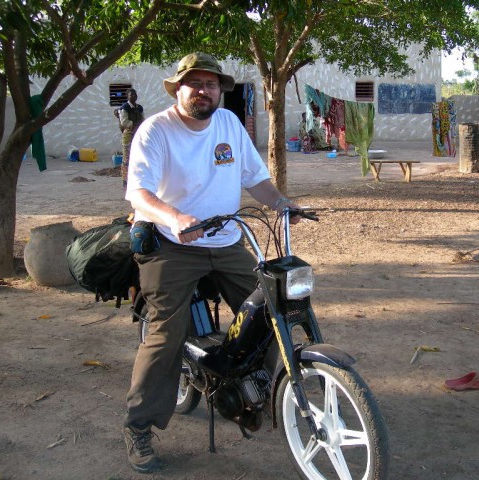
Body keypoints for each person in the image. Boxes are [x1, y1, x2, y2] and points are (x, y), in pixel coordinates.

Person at [122, 52, 299, 474]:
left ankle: (281, 393)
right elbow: (139, 193)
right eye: (195, 83)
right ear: (178, 89)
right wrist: (176, 217)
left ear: (221, 90)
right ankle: (138, 426)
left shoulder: (228, 124)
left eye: (212, 84)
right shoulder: (155, 131)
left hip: (226, 239)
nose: (205, 91)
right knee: (168, 332)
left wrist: (281, 202)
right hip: (173, 244)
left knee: (272, 311)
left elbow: (254, 178)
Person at [119, 88, 144, 187]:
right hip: (128, 134)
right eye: (131, 95)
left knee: (138, 156)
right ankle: (125, 180)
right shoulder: (125, 107)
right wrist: (134, 125)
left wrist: (141, 126)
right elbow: (124, 122)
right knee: (127, 158)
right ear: (127, 97)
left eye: (135, 94)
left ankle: (136, 178)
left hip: (138, 133)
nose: (133, 96)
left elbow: (143, 119)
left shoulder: (139, 108)